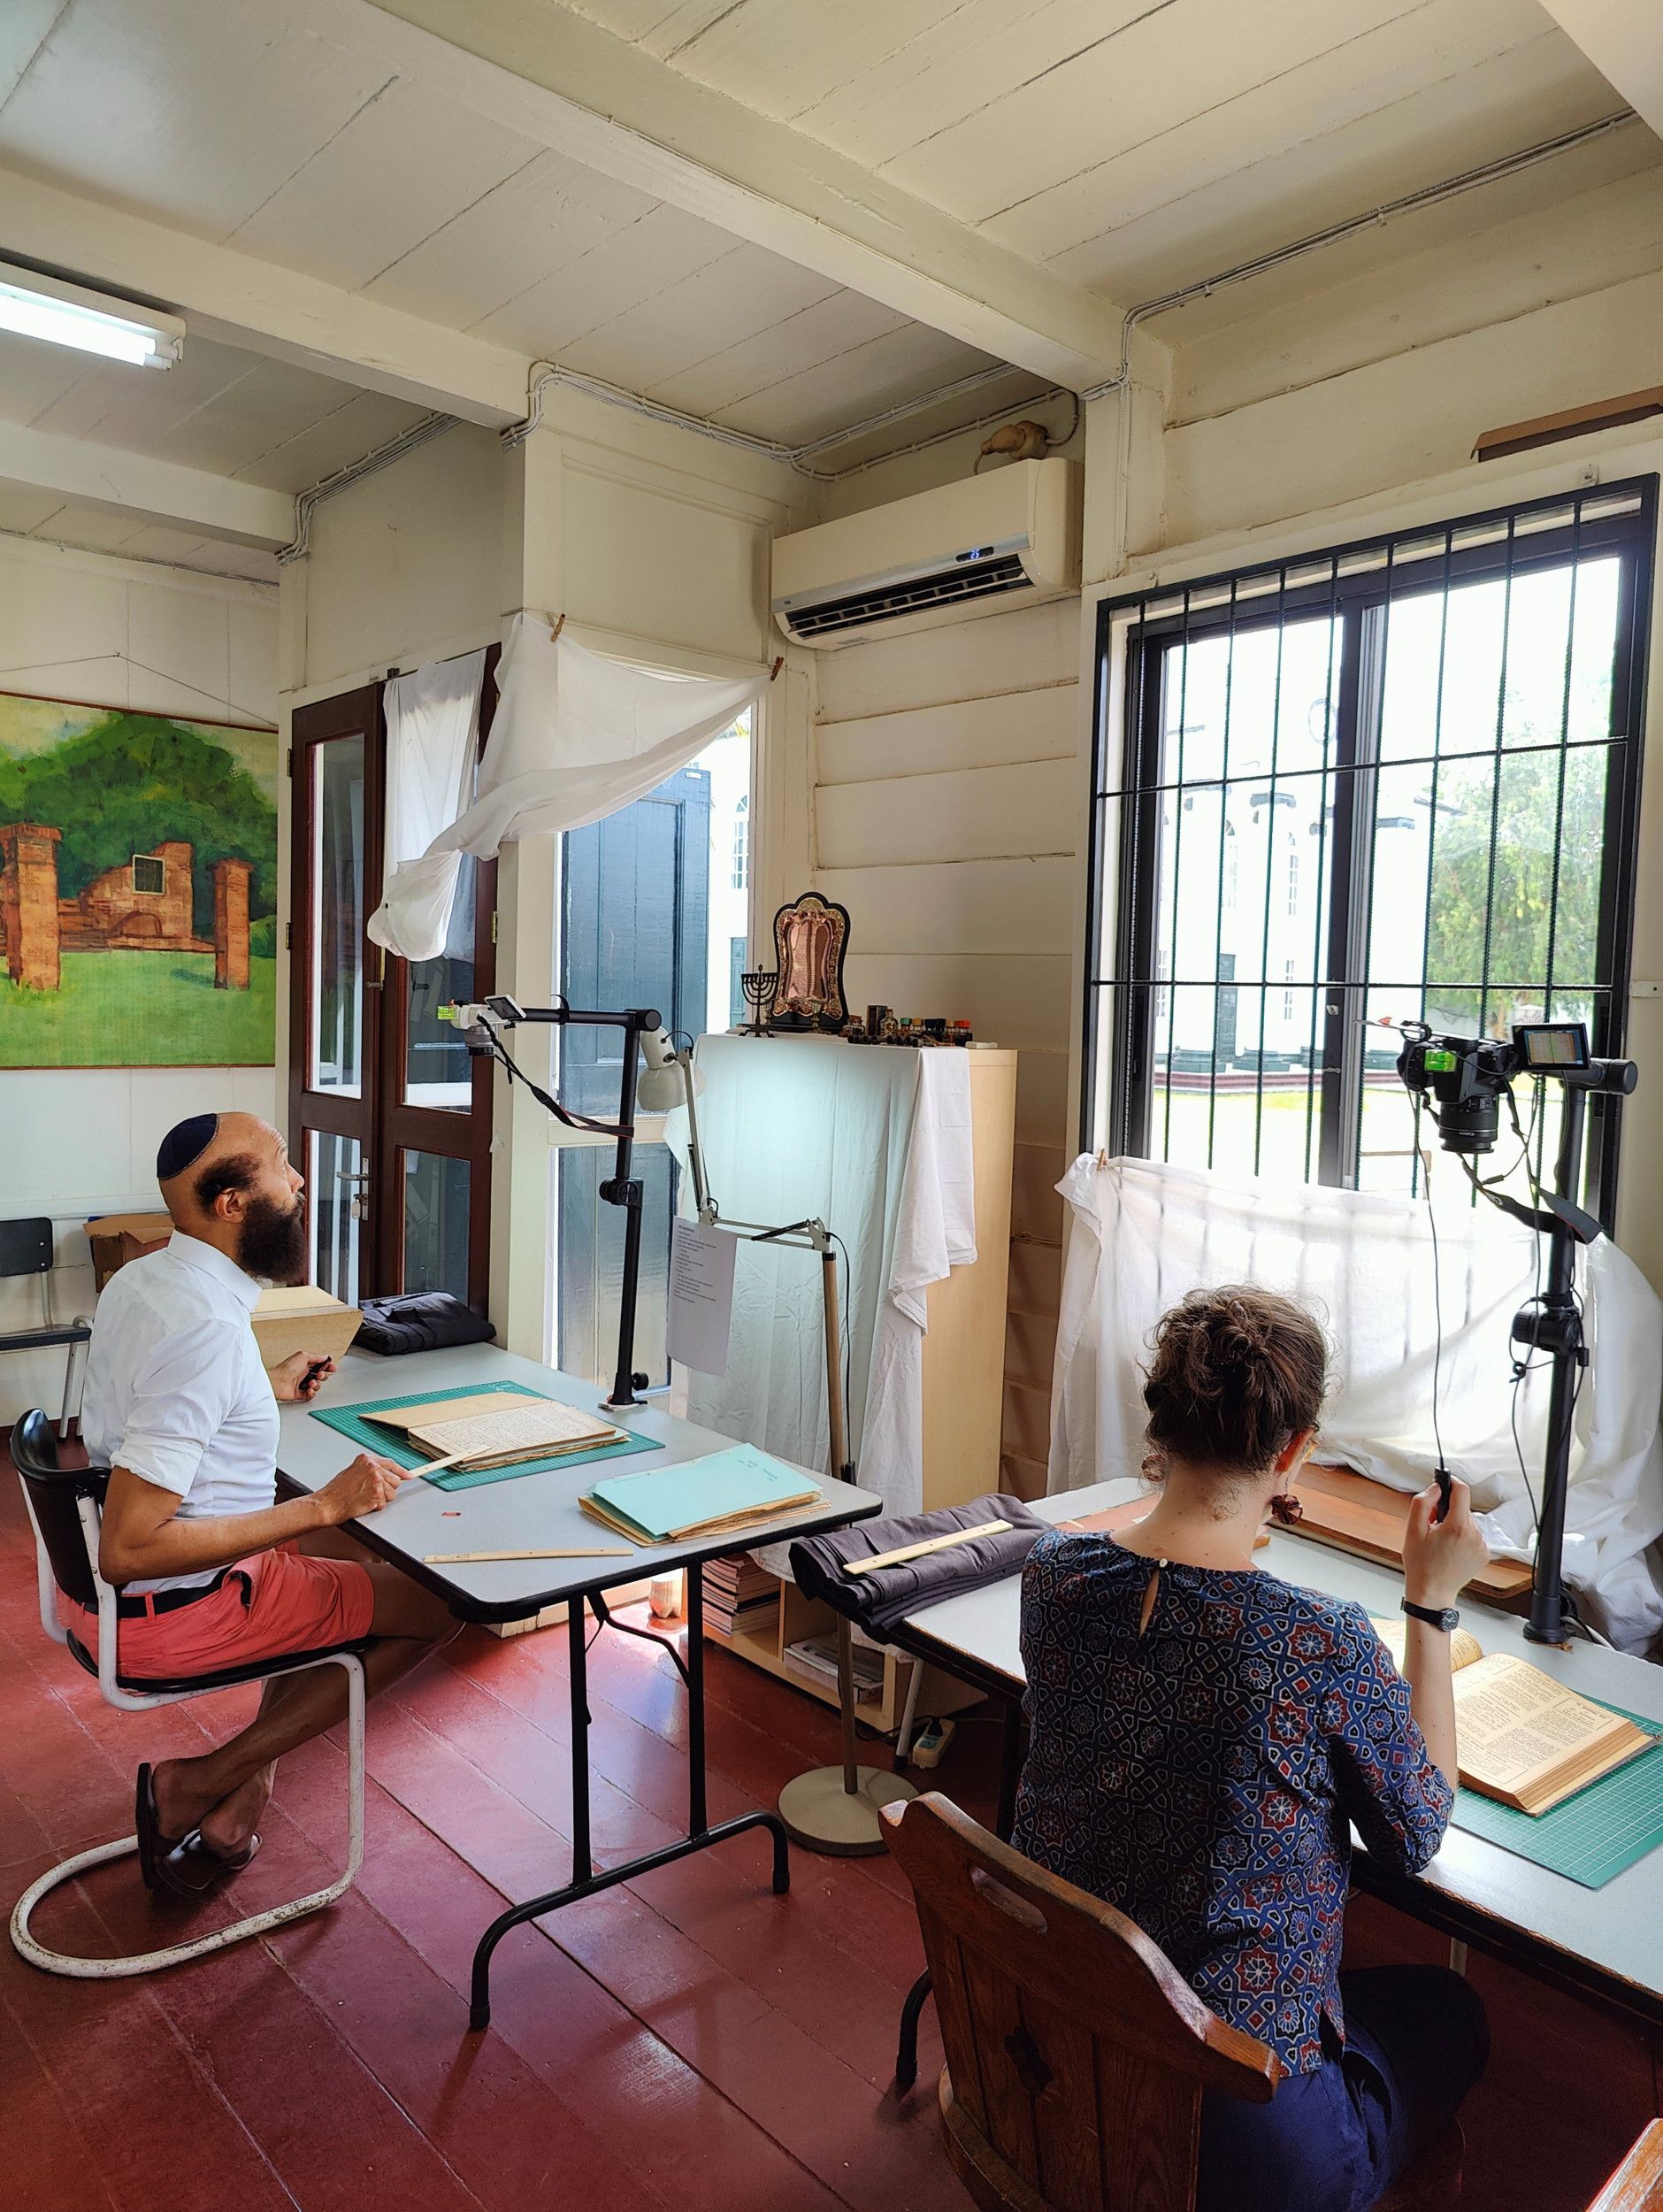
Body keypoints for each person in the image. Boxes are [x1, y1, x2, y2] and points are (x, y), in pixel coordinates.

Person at [1011, 1284, 1491, 2212]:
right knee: (1452, 2012)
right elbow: (1415, 1826)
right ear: (1292, 1450)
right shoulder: (1315, 1641)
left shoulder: (1052, 1576)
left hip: (1067, 2045)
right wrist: (1428, 1604)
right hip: (1235, 2126)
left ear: (1159, 1424)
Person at [78, 1111, 456, 1899]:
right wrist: (322, 1505)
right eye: (281, 1166)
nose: (300, 1180)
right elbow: (130, 1548)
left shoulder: (146, 1278)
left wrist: (261, 1385)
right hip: (174, 1612)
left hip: (114, 1599)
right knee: (431, 1607)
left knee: (347, 1567)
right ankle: (203, 1783)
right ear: (231, 1206)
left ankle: (237, 1805)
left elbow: (164, 1390)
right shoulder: (207, 1335)